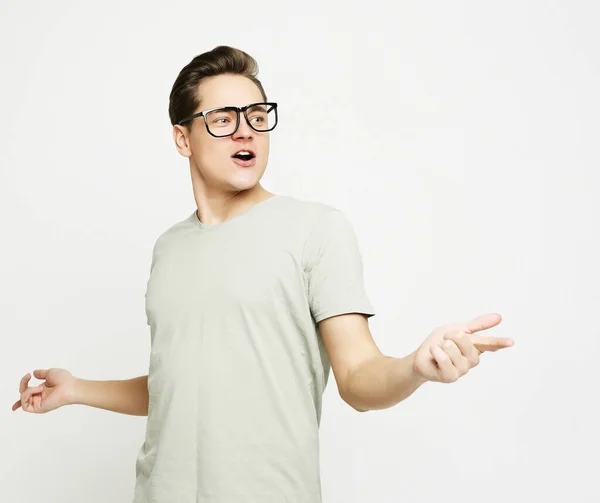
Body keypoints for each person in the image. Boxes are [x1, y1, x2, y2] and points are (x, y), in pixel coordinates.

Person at [12, 45, 514, 503]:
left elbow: (359, 379)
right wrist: (77, 389)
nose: (246, 129)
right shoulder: (169, 249)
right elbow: (180, 386)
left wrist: (414, 367)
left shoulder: (316, 229)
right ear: (182, 138)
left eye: (255, 116)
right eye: (223, 118)